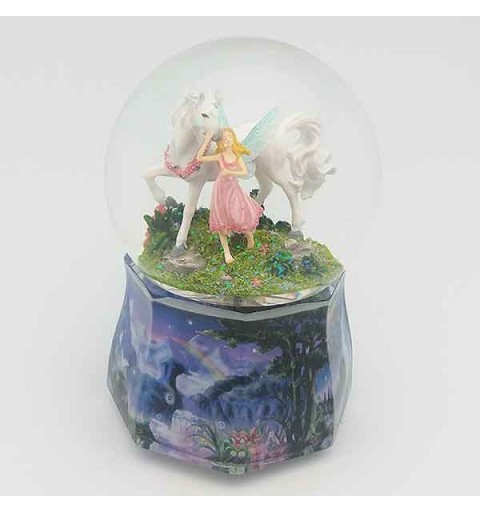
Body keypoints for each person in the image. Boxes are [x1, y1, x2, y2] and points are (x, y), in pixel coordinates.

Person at [196, 128, 263, 264]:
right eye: (224, 138)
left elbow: (244, 171)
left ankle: (249, 236)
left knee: (238, 215)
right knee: (221, 218)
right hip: (221, 189)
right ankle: (227, 252)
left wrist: (230, 172)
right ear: (221, 142)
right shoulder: (220, 156)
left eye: (229, 137)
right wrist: (207, 140)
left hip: (233, 188)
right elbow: (199, 158)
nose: (227, 140)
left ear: (234, 139)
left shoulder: (236, 156)